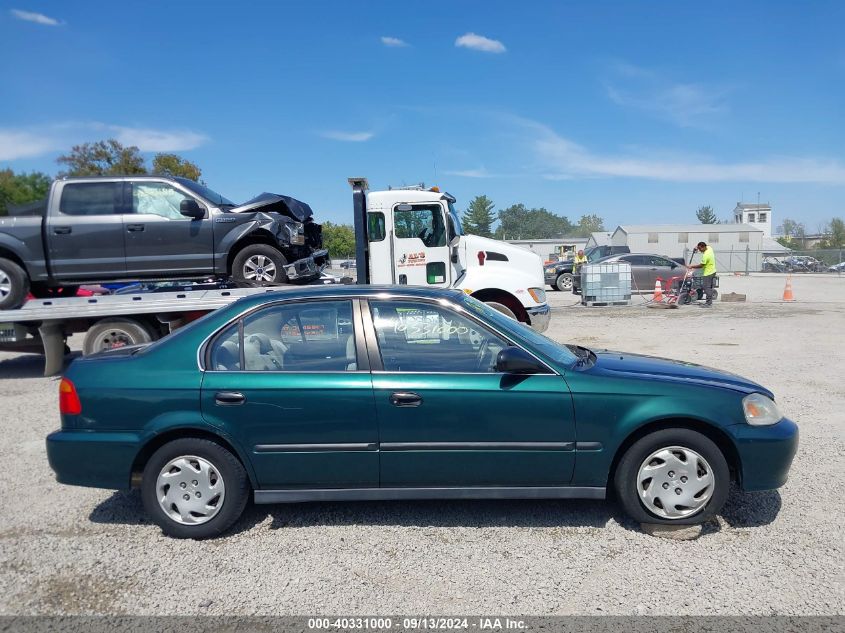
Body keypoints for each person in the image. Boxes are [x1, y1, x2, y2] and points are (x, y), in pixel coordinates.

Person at [688, 241, 717, 307]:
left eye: (700, 249)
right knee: (708, 287)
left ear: (703, 247)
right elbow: (707, 245)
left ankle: (708, 303)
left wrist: (691, 266)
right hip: (713, 271)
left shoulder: (706, 255)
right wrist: (696, 247)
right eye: (699, 249)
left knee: (706, 288)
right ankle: (709, 302)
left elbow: (701, 265)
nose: (700, 251)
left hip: (708, 273)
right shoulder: (709, 248)